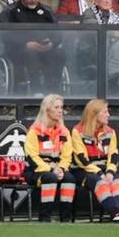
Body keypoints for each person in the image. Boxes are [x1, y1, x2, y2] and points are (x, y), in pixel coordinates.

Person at [69, 98, 119, 222]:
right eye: (105, 112)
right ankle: (115, 213)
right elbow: (81, 158)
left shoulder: (110, 132)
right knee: (100, 182)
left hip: (105, 169)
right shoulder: (77, 131)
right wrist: (100, 173)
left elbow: (114, 155)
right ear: (94, 114)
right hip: (83, 170)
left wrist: (110, 172)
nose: (108, 115)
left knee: (117, 181)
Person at [24, 93, 79, 223]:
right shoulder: (34, 131)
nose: (60, 111)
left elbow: (67, 155)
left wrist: (61, 168)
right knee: (50, 177)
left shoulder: (64, 131)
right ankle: (44, 218)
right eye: (56, 107)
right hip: (35, 171)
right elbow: (31, 157)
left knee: (69, 178)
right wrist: (50, 169)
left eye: (61, 107)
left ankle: (66, 219)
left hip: (56, 170)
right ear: (47, 110)